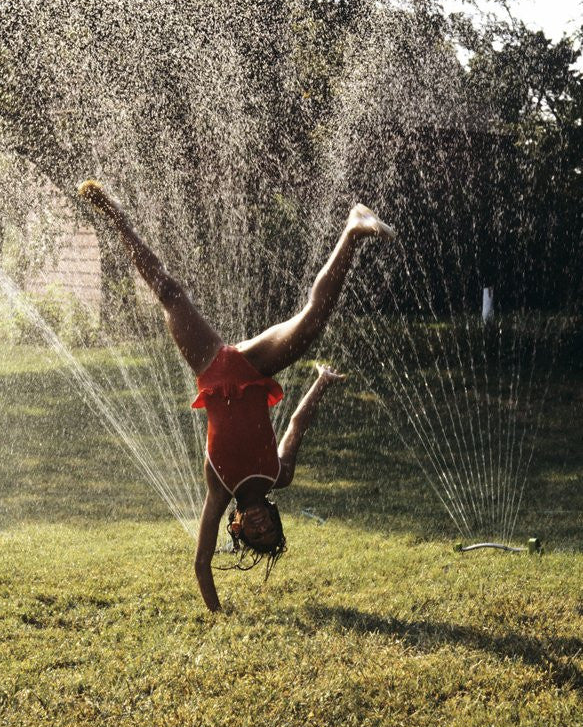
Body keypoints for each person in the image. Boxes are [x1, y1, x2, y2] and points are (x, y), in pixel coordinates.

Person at [78, 180, 394, 612]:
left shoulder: (219, 491)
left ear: (238, 528)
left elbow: (202, 563)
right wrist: (320, 383)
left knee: (169, 292)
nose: (262, 525)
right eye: (270, 530)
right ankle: (354, 230)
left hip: (212, 368)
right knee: (311, 321)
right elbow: (297, 426)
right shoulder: (277, 475)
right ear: (274, 518)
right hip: (252, 367)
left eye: (255, 533)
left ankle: (115, 216)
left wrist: (217, 612)